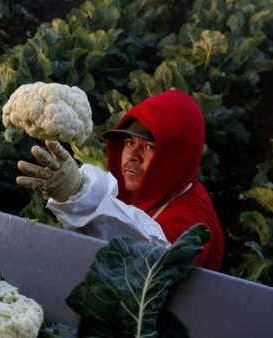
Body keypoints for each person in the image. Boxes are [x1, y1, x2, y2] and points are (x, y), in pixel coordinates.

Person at [16, 89, 224, 270]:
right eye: (129, 142)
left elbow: (156, 258)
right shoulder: (145, 192)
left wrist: (79, 194)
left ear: (176, 158)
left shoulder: (196, 220)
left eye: (149, 146)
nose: (132, 155)